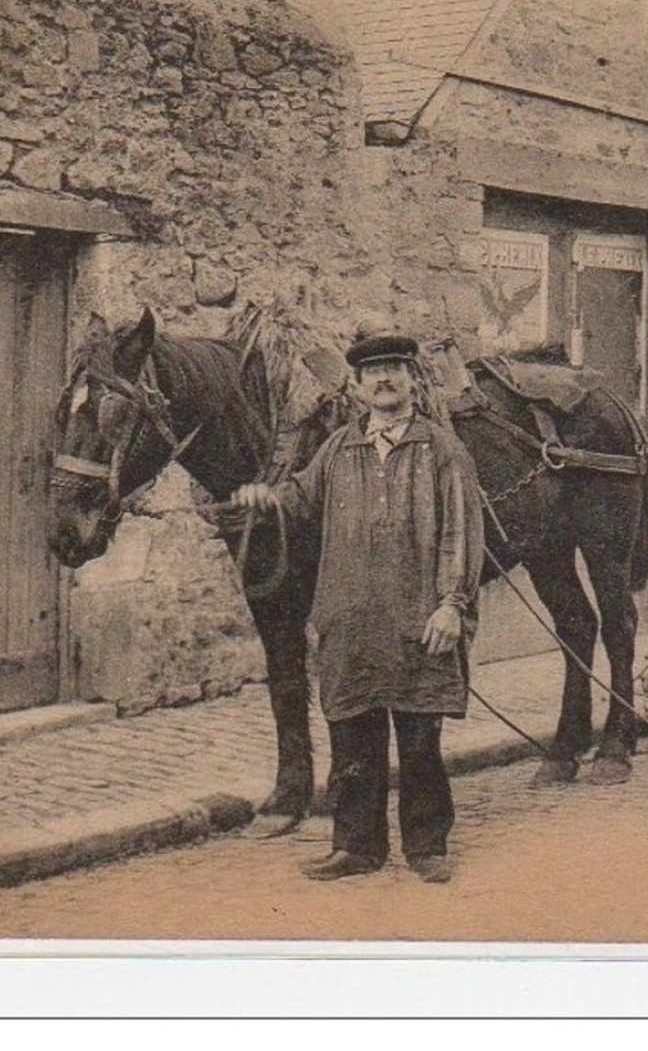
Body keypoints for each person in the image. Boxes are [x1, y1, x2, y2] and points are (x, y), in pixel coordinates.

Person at [233, 328, 484, 882]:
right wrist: (264, 497)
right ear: (360, 384)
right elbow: (299, 501)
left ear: (413, 380)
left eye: (395, 368)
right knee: (353, 739)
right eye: (373, 372)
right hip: (349, 621)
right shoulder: (339, 447)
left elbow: (462, 533)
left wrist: (452, 604)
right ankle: (357, 847)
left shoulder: (442, 451)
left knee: (419, 740)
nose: (385, 379)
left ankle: (427, 846)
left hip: (418, 619)